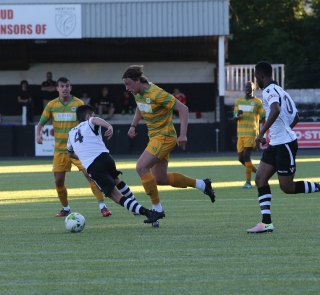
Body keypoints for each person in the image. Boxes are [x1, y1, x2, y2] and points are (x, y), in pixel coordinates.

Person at [122, 65, 215, 227]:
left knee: (141, 167)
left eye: (129, 84)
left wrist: (183, 134)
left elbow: (183, 109)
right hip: (155, 138)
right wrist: (133, 125)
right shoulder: (138, 93)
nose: (127, 88)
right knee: (160, 179)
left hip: (164, 137)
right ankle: (202, 184)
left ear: (138, 81)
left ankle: (157, 209)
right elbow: (140, 108)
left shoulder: (157, 93)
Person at [247, 62, 320, 234]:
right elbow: (296, 117)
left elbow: (276, 109)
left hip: (284, 145)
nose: (255, 80)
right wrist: (281, 132)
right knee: (260, 179)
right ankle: (266, 223)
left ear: (261, 75)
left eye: (256, 76)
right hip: (277, 144)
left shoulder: (269, 91)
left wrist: (261, 133)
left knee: (287, 187)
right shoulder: (281, 90)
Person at [67, 105, 164, 224]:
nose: (93, 116)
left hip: (94, 167)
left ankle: (150, 213)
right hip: (106, 158)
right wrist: (109, 126)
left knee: (116, 196)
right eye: (93, 114)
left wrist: (83, 156)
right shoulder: (90, 121)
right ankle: (136, 206)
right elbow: (96, 120)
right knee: (116, 180)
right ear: (88, 115)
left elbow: (70, 154)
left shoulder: (71, 133)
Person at [36, 77, 111, 217]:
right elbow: (41, 123)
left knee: (91, 176)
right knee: (58, 181)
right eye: (62, 86)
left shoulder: (78, 103)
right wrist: (38, 135)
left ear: (70, 88)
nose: (64, 88)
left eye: (67, 86)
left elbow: (89, 122)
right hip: (60, 151)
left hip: (79, 150)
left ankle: (103, 206)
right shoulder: (51, 105)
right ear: (57, 88)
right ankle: (65, 208)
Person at [233, 81, 265, 189]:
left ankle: (248, 182)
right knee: (241, 159)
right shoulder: (238, 101)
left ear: (254, 89)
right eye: (246, 87)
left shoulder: (257, 102)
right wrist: (238, 115)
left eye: (250, 87)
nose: (248, 89)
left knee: (246, 155)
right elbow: (235, 116)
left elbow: (263, 117)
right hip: (240, 133)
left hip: (251, 132)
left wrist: (262, 134)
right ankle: (259, 173)